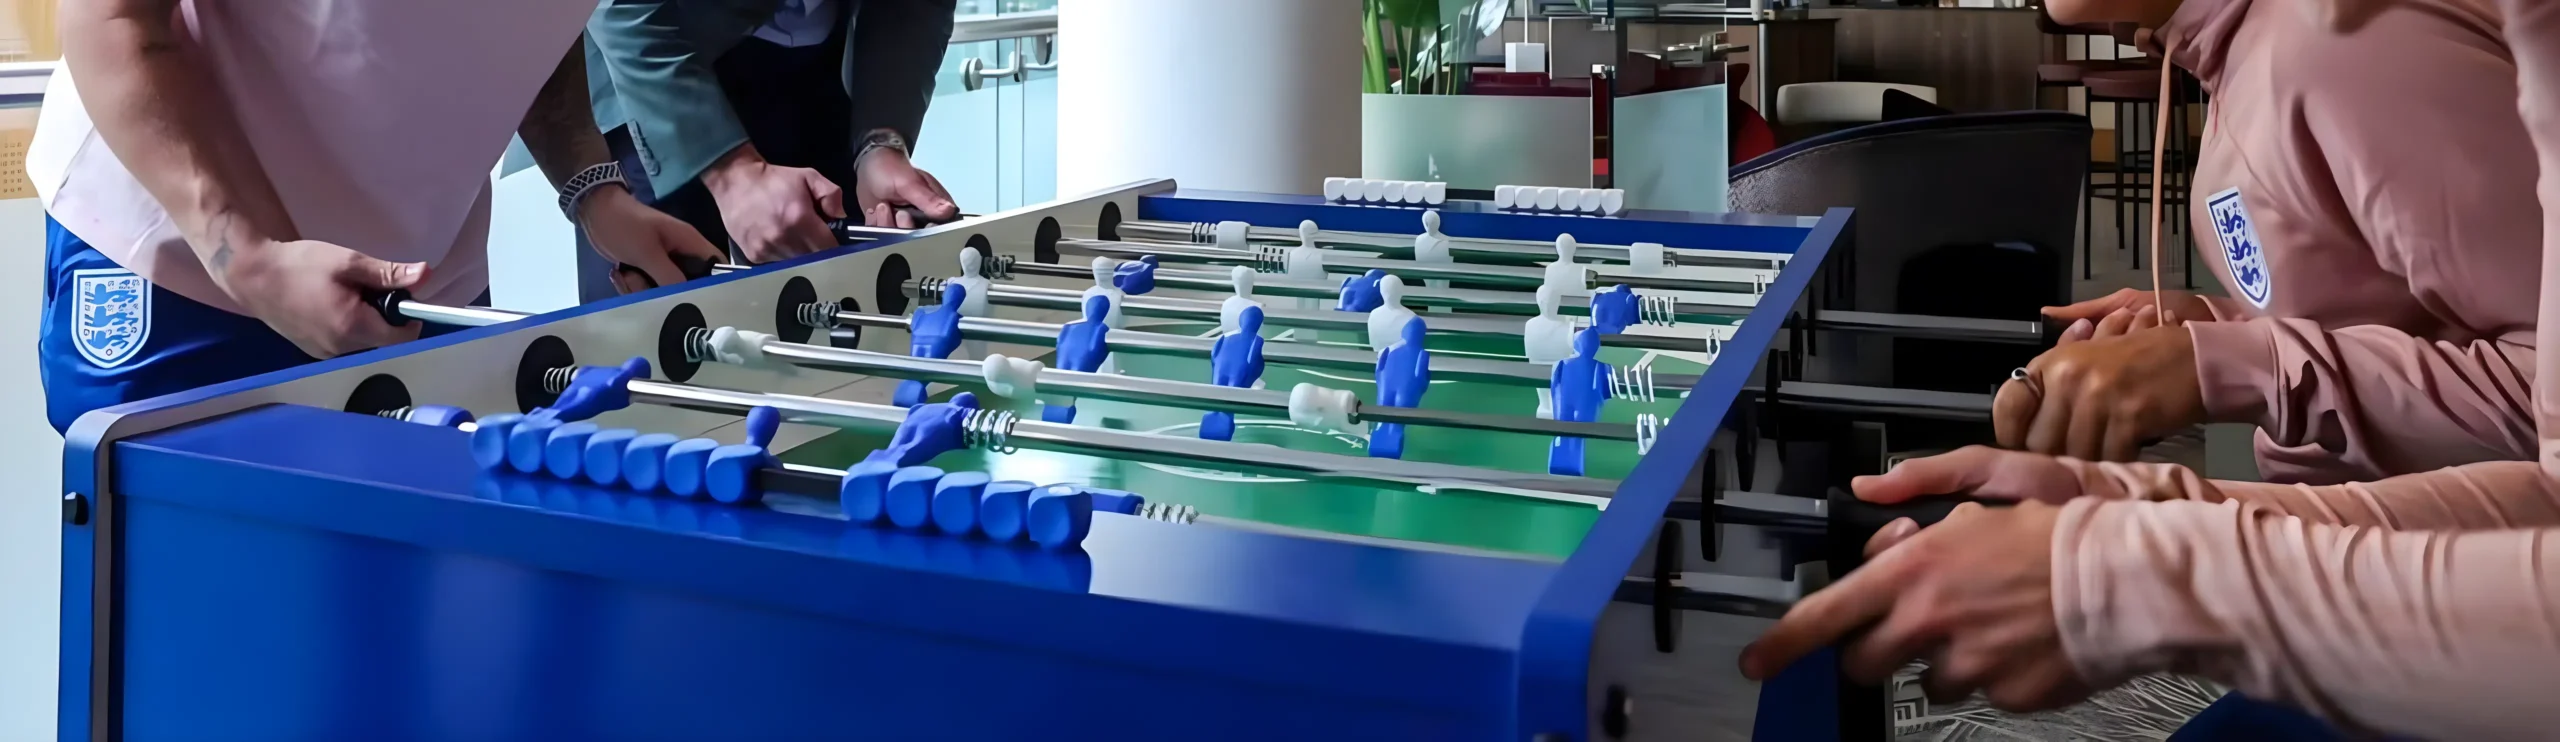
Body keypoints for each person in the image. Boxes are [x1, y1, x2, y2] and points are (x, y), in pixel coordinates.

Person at [1742, 4, 2560, 739]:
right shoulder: (2237, 57)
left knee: (1821, 686)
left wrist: (2229, 380)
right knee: (1823, 667)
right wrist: (2189, 383)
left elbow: (2537, 415)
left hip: (2439, 620)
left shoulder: (2342, 50)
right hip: (2370, 558)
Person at [33, 0, 722, 435]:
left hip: (417, 286)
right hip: (187, 261)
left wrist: (594, 190)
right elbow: (113, 17)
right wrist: (254, 257)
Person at [1994, 0, 2540, 485]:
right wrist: (2208, 328)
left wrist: (2226, 367)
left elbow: (2547, 386)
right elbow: (2387, 317)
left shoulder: (2340, 52)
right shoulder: (2232, 53)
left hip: (2459, 573)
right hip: (2355, 543)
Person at [581, 0, 963, 302]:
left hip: (823, 70)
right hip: (656, 78)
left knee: (833, 308)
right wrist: (731, 175)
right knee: (654, 333)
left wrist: (880, 142)